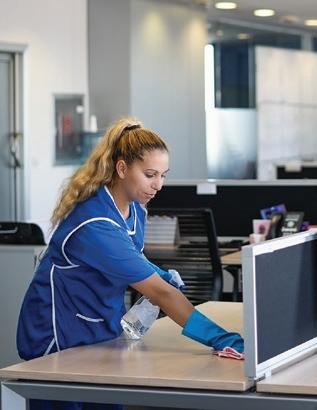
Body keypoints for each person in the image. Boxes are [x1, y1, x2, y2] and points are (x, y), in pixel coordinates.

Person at [17, 118, 243, 410]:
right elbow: (160, 293)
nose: (158, 185)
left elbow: (128, 257)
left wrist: (157, 272)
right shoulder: (95, 223)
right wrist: (221, 339)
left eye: (163, 175)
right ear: (122, 168)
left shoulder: (135, 209)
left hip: (101, 328)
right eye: (150, 174)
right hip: (60, 335)